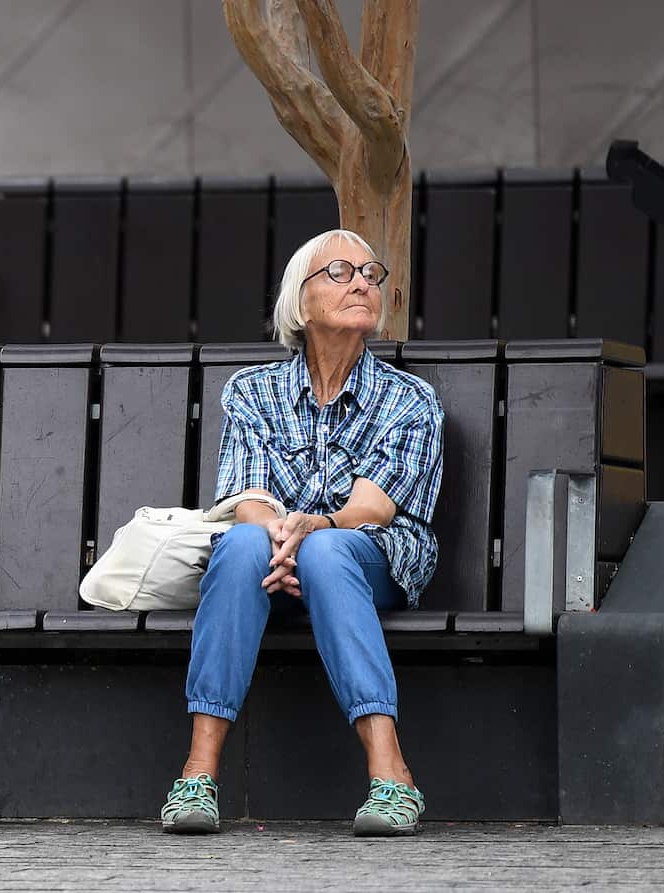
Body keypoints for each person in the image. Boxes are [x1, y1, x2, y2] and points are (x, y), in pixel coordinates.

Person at [160, 229, 444, 837]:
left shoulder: (410, 400)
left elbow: (370, 510)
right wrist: (284, 539)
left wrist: (314, 532)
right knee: (239, 544)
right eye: (341, 272)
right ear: (300, 302)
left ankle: (391, 773)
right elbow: (249, 502)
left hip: (374, 560)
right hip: (274, 564)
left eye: (372, 273)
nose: (363, 283)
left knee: (329, 548)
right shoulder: (253, 391)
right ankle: (198, 774)